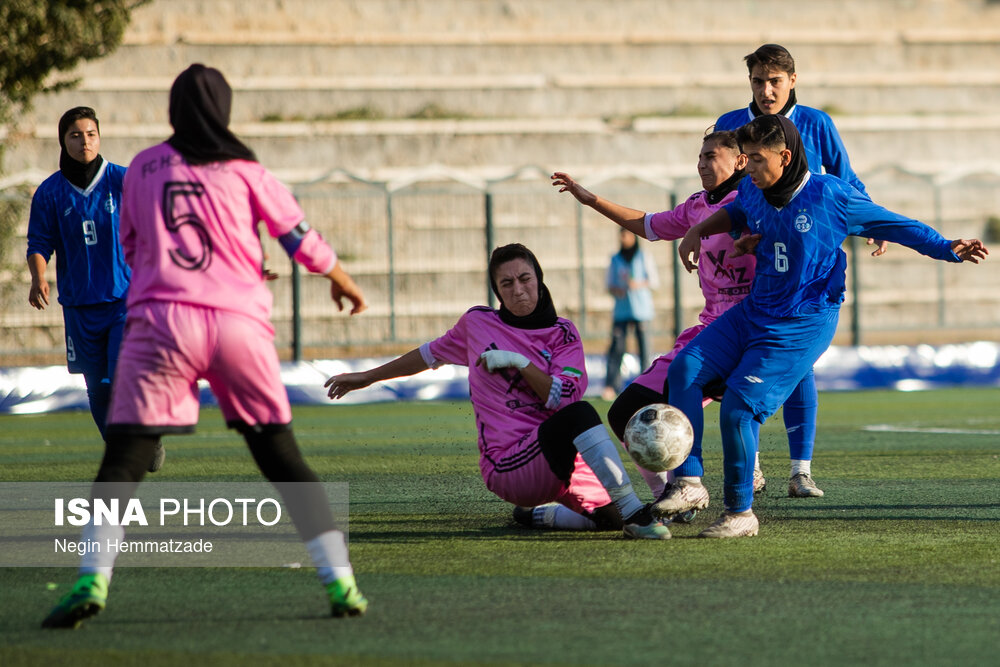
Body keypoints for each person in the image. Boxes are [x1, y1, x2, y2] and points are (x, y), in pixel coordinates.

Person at [41, 64, 370, 629]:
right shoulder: (244, 166)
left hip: (160, 324)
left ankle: (91, 577)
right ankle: (340, 582)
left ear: (173, 110)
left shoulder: (142, 166)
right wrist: (339, 277)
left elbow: (133, 244)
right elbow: (297, 236)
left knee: (123, 457)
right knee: (280, 455)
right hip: (237, 324)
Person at [668, 114, 986, 538]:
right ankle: (689, 483)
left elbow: (897, 225)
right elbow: (740, 212)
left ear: (785, 156)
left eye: (757, 160)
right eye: (746, 158)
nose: (749, 168)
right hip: (755, 310)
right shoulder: (752, 187)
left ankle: (740, 513)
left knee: (739, 408)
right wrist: (698, 231)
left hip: (802, 321)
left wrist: (948, 247)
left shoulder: (829, 195)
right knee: (683, 370)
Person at [325, 243, 671, 539]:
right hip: (508, 464)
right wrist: (366, 377)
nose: (518, 290)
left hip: (557, 456)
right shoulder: (477, 324)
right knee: (582, 417)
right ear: (497, 292)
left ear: (539, 279)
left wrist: (518, 362)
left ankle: (533, 515)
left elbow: (563, 396)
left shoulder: (564, 334)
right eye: (506, 284)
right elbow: (428, 355)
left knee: (605, 519)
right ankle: (637, 514)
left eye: (524, 279)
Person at [713, 43, 885, 497]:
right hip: (745, 256)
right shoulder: (732, 124)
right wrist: (729, 234)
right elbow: (720, 187)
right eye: (757, 81)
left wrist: (873, 221)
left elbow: (847, 178)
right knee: (738, 356)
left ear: (793, 80)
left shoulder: (817, 122)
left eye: (774, 81)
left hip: (803, 262)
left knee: (798, 362)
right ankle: (748, 468)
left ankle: (799, 469)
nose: (766, 90)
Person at [25, 107, 164, 472]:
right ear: (63, 140)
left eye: (90, 134)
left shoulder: (123, 179)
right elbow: (39, 243)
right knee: (98, 391)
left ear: (99, 138)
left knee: (121, 379)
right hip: (78, 306)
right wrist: (39, 275)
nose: (84, 141)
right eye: (75, 134)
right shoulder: (50, 193)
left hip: (125, 301)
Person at [602, 228, 658, 400]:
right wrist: (616, 290)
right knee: (617, 348)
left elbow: (654, 281)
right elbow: (609, 284)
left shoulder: (643, 256)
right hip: (622, 310)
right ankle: (612, 385)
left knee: (644, 349)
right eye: (621, 235)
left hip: (641, 310)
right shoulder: (615, 258)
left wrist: (638, 284)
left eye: (626, 234)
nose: (623, 238)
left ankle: (647, 384)